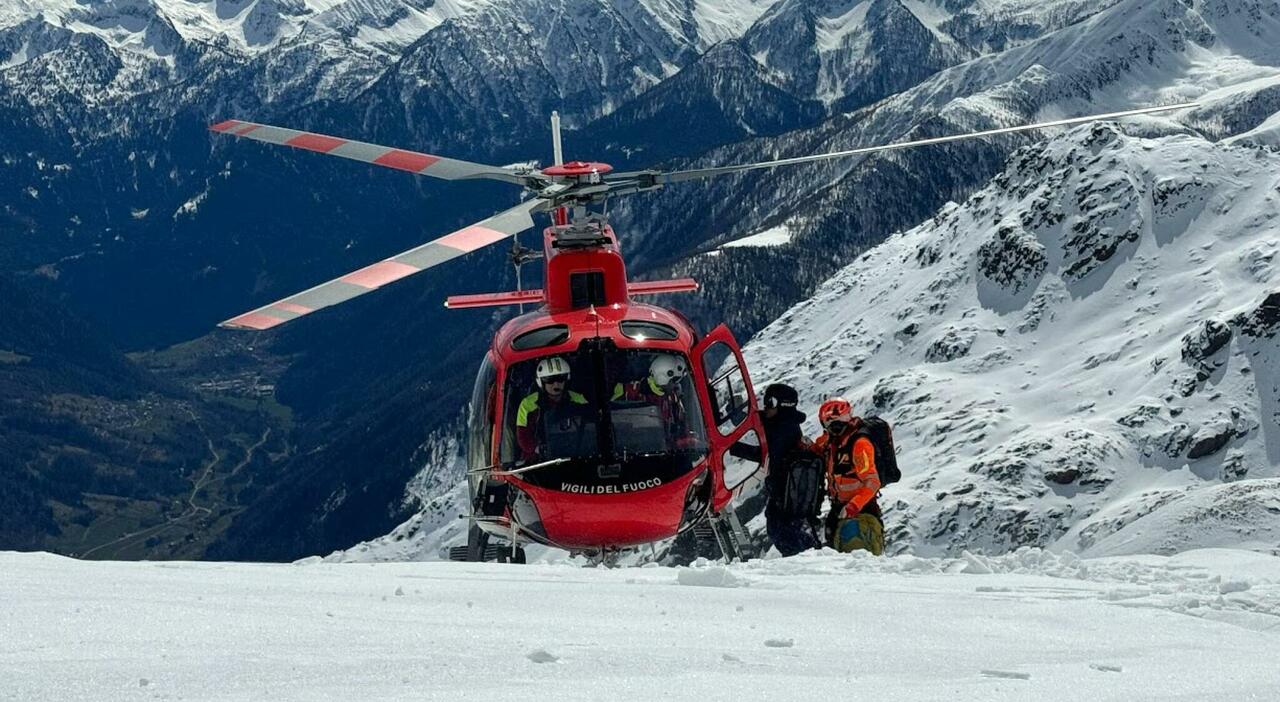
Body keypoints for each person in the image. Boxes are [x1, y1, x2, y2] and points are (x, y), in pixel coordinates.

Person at [730, 383, 820, 556]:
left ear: (782, 404)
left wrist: (730, 447)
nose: (766, 407)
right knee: (780, 529)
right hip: (785, 492)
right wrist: (735, 414)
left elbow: (765, 456)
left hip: (786, 495)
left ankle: (808, 558)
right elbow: (758, 420)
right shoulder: (781, 421)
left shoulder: (783, 430)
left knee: (782, 532)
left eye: (769, 402)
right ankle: (809, 555)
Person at [813, 397, 884, 555]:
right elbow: (817, 449)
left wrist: (854, 505)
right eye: (829, 422)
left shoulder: (859, 444)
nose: (832, 426)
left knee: (858, 559)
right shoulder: (833, 443)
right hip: (839, 509)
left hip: (861, 512)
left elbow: (872, 481)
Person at [515, 356, 588, 462]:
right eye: (550, 380)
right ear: (541, 382)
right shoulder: (528, 405)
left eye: (560, 379)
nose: (556, 384)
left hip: (575, 454)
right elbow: (523, 436)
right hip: (539, 460)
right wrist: (538, 449)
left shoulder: (579, 400)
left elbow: (589, 430)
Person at [612, 355, 694, 445]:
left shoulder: (673, 399)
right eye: (674, 381)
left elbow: (683, 429)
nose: (676, 385)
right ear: (663, 377)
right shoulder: (628, 391)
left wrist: (686, 441)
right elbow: (612, 419)